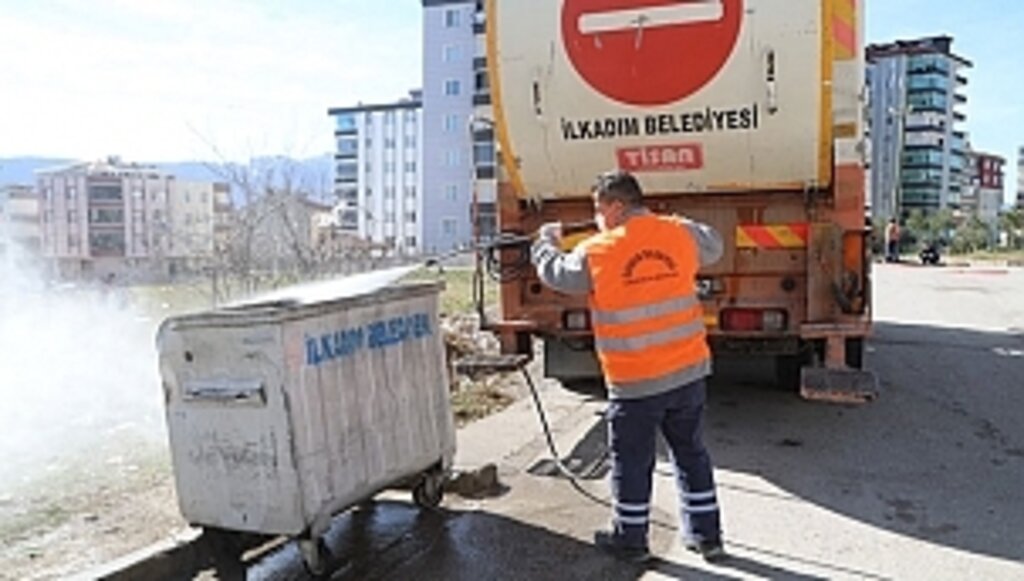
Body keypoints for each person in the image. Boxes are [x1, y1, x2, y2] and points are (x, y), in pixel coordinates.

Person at [531, 170, 726, 564]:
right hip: (687, 373)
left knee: (633, 461)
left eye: (598, 209)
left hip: (636, 381)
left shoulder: (597, 250)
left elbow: (558, 274)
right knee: (691, 453)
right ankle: (708, 537)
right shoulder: (678, 233)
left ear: (616, 207)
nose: (596, 217)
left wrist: (543, 244)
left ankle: (631, 540)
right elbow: (714, 245)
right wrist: (669, 222)